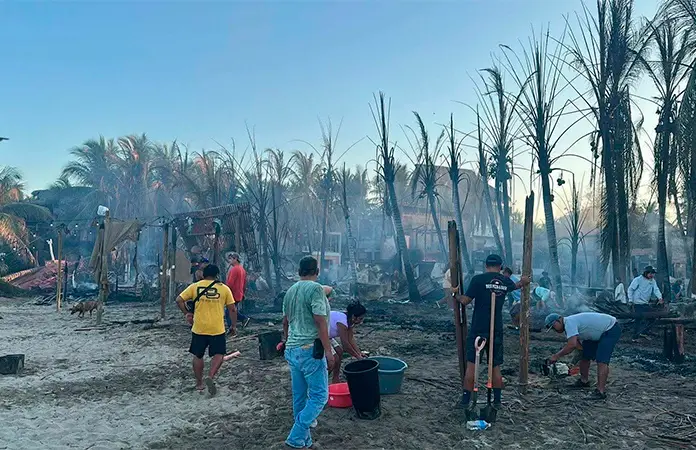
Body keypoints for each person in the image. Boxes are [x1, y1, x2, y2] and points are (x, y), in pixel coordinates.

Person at [454, 254, 529, 409]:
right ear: (500, 267)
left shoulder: (478, 280)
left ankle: (465, 401)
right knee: (495, 366)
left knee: (472, 365)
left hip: (478, 328)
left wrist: (455, 294)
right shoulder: (505, 281)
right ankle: (497, 401)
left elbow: (465, 301)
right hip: (496, 329)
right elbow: (516, 286)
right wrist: (524, 281)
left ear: (486, 265)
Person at [281, 256, 332, 449]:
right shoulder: (315, 289)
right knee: (320, 396)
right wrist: (329, 351)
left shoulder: (290, 291)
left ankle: (304, 440)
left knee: (300, 396)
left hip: (292, 349)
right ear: (317, 272)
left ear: (299, 271)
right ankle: (296, 436)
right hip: (310, 349)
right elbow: (320, 321)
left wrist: (286, 341)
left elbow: (285, 322)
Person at [175, 264, 236, 395]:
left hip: (199, 328)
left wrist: (187, 313)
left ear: (203, 274)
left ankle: (199, 383)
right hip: (217, 328)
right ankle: (211, 376)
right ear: (217, 275)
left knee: (198, 355)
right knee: (219, 354)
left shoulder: (195, 286)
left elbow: (179, 300)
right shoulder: (224, 289)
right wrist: (233, 326)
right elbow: (232, 309)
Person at [545, 312, 621, 400]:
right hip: (597, 333)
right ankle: (583, 381)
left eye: (553, 327)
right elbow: (579, 347)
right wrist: (573, 362)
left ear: (558, 320)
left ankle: (600, 391)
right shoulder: (569, 325)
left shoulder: (569, 323)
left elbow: (571, 345)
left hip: (610, 328)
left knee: (601, 361)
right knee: (585, 357)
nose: (554, 330)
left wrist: (556, 356)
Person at [328, 302, 367, 384]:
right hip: (319, 335)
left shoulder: (350, 321)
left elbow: (351, 339)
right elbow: (345, 345)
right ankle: (322, 380)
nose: (361, 321)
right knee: (334, 359)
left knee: (339, 351)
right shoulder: (342, 322)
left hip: (329, 336)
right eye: (360, 319)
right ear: (354, 317)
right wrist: (358, 357)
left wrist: (359, 353)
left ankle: (335, 378)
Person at [627, 265, 664, 340]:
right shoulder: (638, 280)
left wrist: (660, 298)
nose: (652, 275)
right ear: (646, 273)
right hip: (637, 303)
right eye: (650, 273)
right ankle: (635, 337)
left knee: (652, 317)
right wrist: (630, 300)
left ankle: (644, 332)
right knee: (638, 319)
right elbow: (630, 289)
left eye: (653, 274)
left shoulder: (652, 281)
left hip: (645, 303)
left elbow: (656, 290)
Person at [225, 252, 250, 331]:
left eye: (230, 259)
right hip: (239, 293)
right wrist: (243, 293)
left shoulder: (234, 269)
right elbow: (245, 283)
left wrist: (225, 292)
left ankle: (231, 328)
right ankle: (244, 319)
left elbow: (230, 283)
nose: (229, 261)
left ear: (235, 259)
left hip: (233, 293)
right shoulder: (242, 269)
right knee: (232, 310)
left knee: (229, 312)